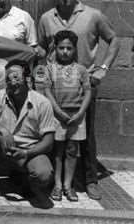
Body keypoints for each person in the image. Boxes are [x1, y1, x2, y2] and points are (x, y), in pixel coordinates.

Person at [37, 0, 120, 200]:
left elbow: (114, 39)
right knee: (56, 136)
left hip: (84, 84)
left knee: (86, 134)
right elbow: (43, 49)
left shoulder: (93, 16)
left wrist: (103, 67)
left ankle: (90, 180)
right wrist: (39, 64)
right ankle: (57, 182)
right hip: (54, 87)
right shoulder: (46, 18)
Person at [0, 60, 57, 208]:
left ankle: (26, 183)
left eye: (16, 78)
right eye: (8, 79)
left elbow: (48, 142)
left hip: (29, 152)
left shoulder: (42, 103)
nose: (11, 82)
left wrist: (26, 153)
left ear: (28, 79)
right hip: (3, 149)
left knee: (43, 174)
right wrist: (1, 130)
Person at [44, 30, 91, 202]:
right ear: (55, 48)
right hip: (58, 116)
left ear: (75, 49)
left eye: (69, 48)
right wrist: (58, 112)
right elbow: (47, 91)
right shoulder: (50, 69)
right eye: (61, 48)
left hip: (76, 117)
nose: (65, 51)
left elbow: (87, 92)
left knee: (72, 150)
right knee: (58, 151)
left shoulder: (81, 70)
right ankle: (56, 185)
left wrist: (80, 113)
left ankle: (68, 185)